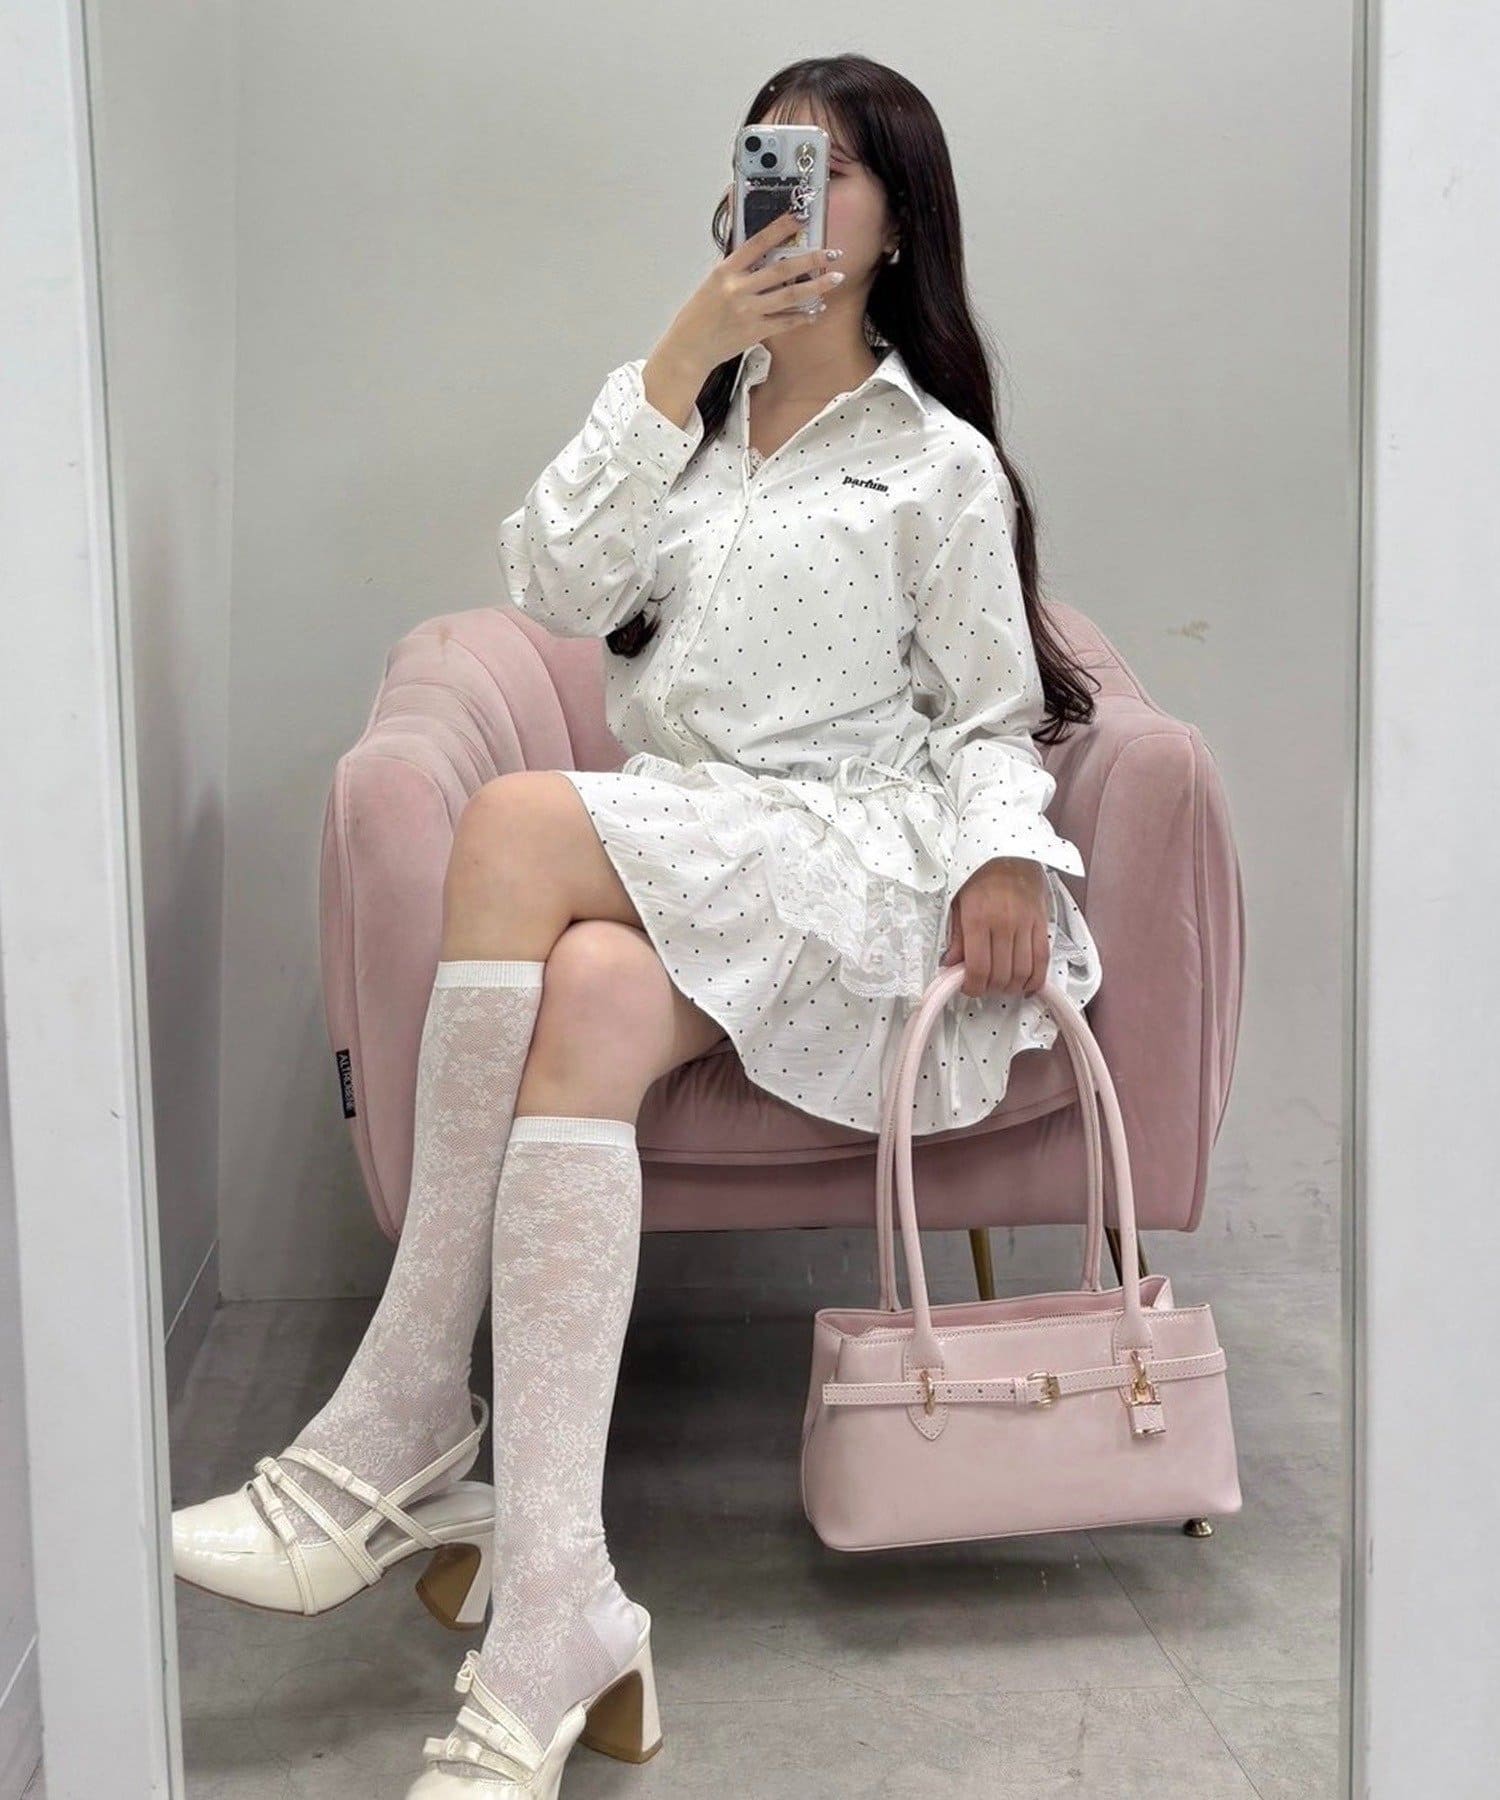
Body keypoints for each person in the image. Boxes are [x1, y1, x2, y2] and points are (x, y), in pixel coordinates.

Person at [170, 55, 1104, 1798]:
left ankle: (401, 1409)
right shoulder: (685, 436)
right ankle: (560, 1608)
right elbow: (550, 586)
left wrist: (1000, 857)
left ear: (901, 223)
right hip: (699, 855)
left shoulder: (939, 466)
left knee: (521, 821)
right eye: (766, 165)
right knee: (592, 989)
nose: (788, 198)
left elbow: (990, 711)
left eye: (830, 171)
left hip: (847, 856)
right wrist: (674, 365)